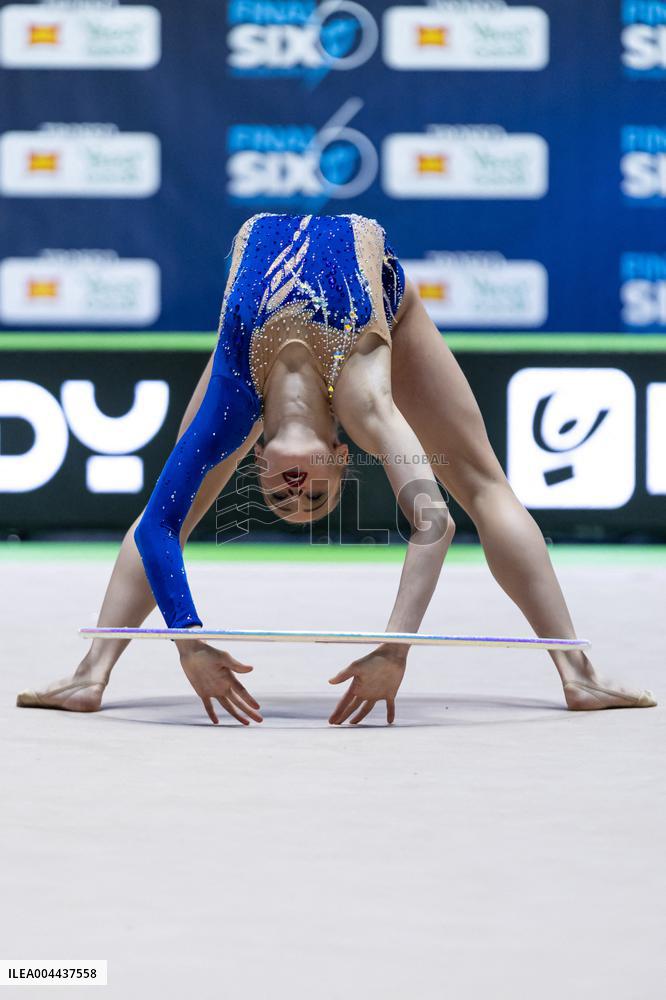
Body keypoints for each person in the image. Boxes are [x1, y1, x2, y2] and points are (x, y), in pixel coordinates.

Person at [17, 213, 656, 724]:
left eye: (286, 500)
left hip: (271, 324)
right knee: (479, 482)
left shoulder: (232, 403)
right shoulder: (364, 401)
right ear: (344, 456)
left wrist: (189, 639)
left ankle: (578, 675)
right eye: (315, 501)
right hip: (377, 295)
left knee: (482, 482)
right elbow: (433, 524)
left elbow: (159, 527)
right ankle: (91, 674)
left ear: (257, 456)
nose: (296, 497)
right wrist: (390, 650)